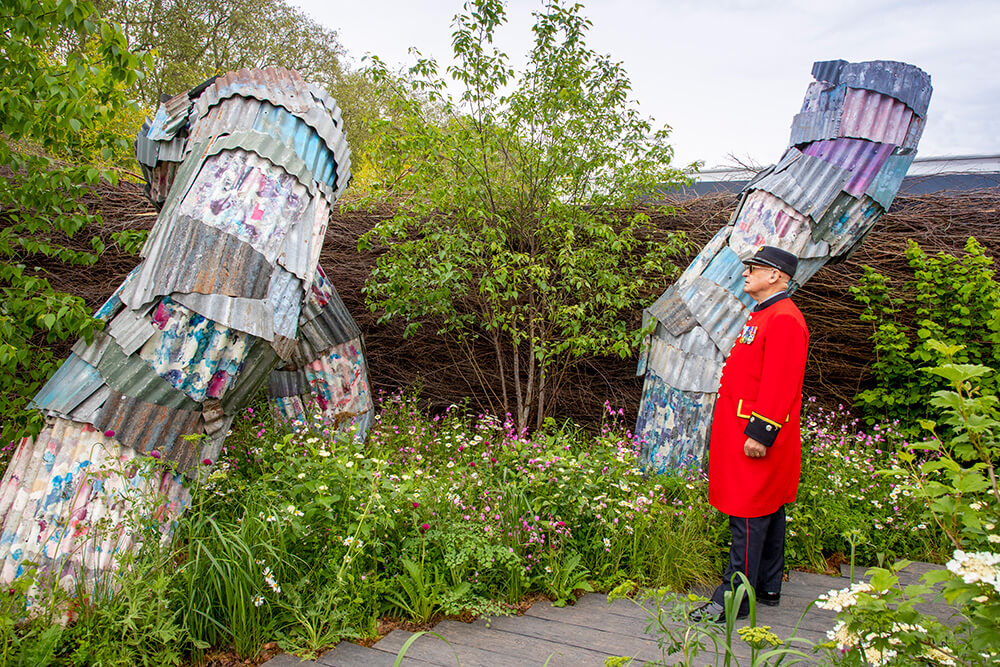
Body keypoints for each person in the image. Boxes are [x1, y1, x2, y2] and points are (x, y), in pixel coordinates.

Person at [690, 245, 809, 623]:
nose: (745, 273)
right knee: (767, 509)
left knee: (748, 513)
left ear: (775, 275)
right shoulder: (766, 313)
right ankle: (767, 586)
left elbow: (781, 381)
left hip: (755, 434)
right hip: (744, 430)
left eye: (753, 268)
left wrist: (762, 431)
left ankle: (734, 599)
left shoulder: (784, 318)